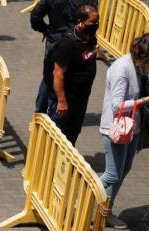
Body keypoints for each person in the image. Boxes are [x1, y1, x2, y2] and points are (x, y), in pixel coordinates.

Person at [97, 32, 149, 229]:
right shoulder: (122, 68)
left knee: (124, 169)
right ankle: (79, 201)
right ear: (148, 54)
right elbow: (117, 106)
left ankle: (105, 211)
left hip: (133, 127)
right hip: (115, 128)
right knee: (112, 175)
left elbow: (146, 80)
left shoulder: (138, 66)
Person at [46, 4, 99, 144]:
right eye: (93, 22)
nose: (96, 25)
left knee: (72, 134)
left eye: (97, 21)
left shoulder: (91, 38)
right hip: (66, 102)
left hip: (80, 100)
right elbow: (58, 74)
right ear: (80, 22)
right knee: (57, 138)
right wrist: (62, 101)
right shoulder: (67, 45)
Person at [31, 0, 95, 112]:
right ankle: (61, 108)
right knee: (69, 76)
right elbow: (92, 18)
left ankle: (40, 112)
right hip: (75, 43)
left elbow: (35, 16)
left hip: (55, 40)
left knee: (49, 76)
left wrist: (46, 30)